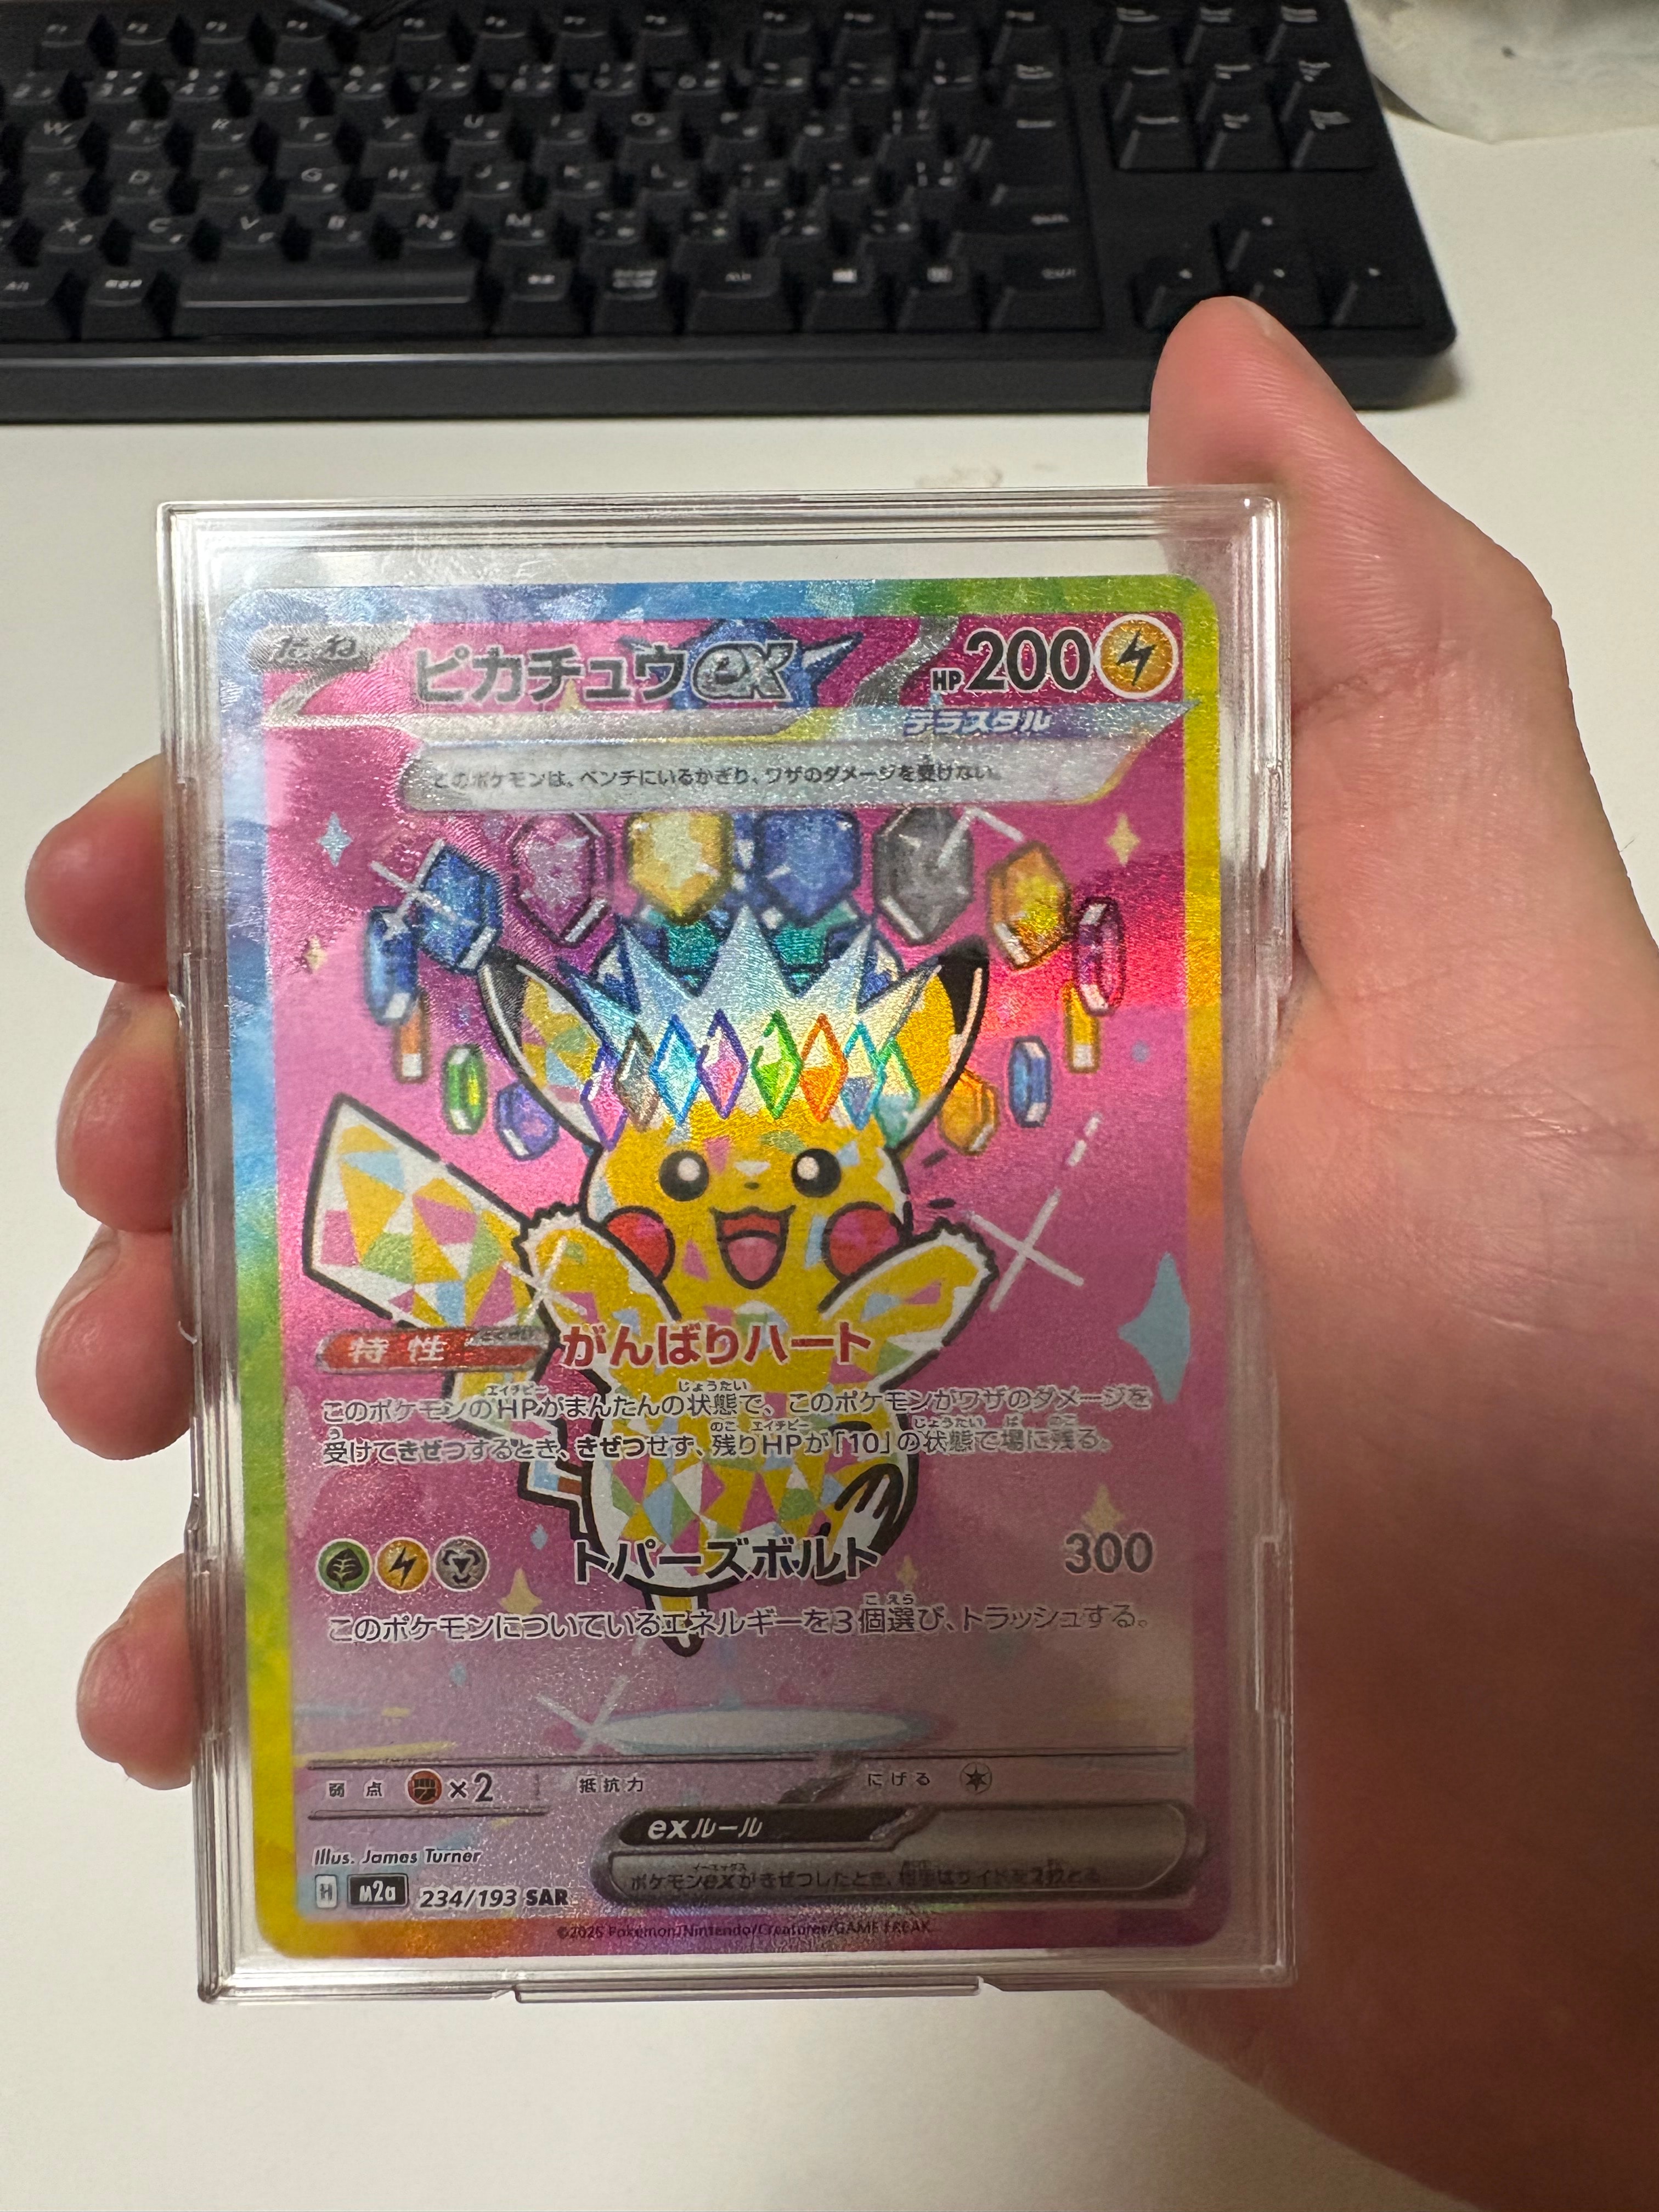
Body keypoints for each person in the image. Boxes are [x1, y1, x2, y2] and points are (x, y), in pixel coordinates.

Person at [26, 299, 1659, 2212]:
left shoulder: (887, 1277)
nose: (742, 1212)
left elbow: (895, 1307)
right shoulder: (612, 1277)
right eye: (693, 1178)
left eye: (805, 1176)